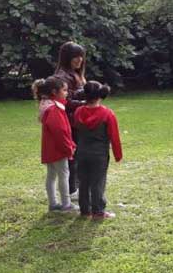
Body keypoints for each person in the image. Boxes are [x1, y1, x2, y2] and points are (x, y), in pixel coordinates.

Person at [73, 81, 122, 219]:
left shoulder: (78, 112)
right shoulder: (107, 114)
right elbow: (114, 136)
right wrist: (118, 155)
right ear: (100, 95)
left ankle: (84, 210)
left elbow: (76, 129)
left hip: (82, 152)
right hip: (99, 154)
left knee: (83, 181)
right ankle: (98, 211)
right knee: (98, 182)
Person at [33, 76, 78, 213]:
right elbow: (60, 131)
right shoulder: (54, 109)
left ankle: (53, 203)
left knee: (52, 175)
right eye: (64, 90)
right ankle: (66, 204)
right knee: (64, 174)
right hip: (58, 149)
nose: (67, 93)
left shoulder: (47, 106)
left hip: (50, 148)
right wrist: (68, 147)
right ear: (54, 91)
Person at [54, 42, 87, 198]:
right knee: (72, 155)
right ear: (67, 57)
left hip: (78, 121)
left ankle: (76, 186)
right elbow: (63, 101)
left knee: (79, 155)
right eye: (75, 56)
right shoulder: (62, 76)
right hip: (69, 122)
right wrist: (84, 103)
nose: (79, 59)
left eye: (81, 56)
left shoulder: (76, 74)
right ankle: (72, 189)